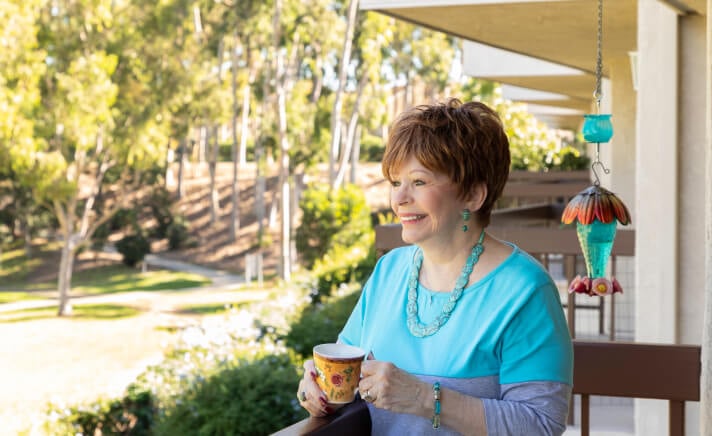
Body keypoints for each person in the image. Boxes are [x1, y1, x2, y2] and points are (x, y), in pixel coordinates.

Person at [297, 98, 573, 435]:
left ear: (472, 194)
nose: (399, 199)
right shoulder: (389, 272)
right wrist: (318, 385)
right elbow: (346, 371)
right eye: (396, 182)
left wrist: (422, 397)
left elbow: (541, 425)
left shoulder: (525, 291)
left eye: (419, 182)